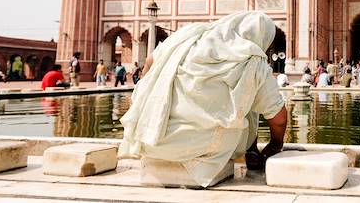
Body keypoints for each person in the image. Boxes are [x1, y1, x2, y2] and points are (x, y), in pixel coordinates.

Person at [120, 11, 288, 188]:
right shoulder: (255, 62)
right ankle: (250, 151)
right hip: (203, 150)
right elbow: (279, 119)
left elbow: (149, 61)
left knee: (244, 95)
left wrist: (146, 96)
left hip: (152, 138)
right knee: (246, 99)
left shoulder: (189, 36)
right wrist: (275, 145)